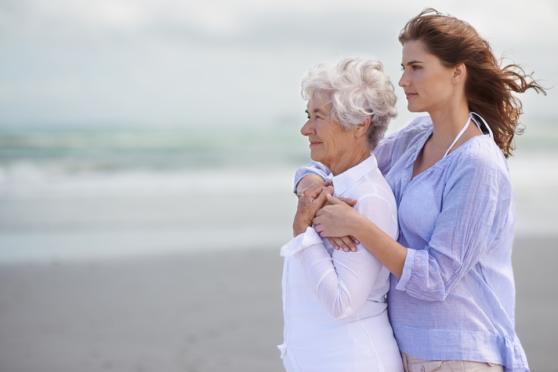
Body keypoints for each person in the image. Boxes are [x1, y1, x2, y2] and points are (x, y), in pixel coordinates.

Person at [295, 9, 545, 372]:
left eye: (415, 67)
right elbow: (342, 162)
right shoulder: (415, 138)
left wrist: (359, 226)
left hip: (461, 353)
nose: (402, 80)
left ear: (457, 72)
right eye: (403, 68)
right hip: (402, 349)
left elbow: (434, 278)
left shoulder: (478, 165)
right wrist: (309, 183)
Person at [278, 58, 403, 372]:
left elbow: (343, 302)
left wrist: (303, 233)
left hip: (355, 360)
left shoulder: (368, 198)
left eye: (318, 116)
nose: (305, 129)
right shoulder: (334, 187)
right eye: (308, 116)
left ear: (360, 123)